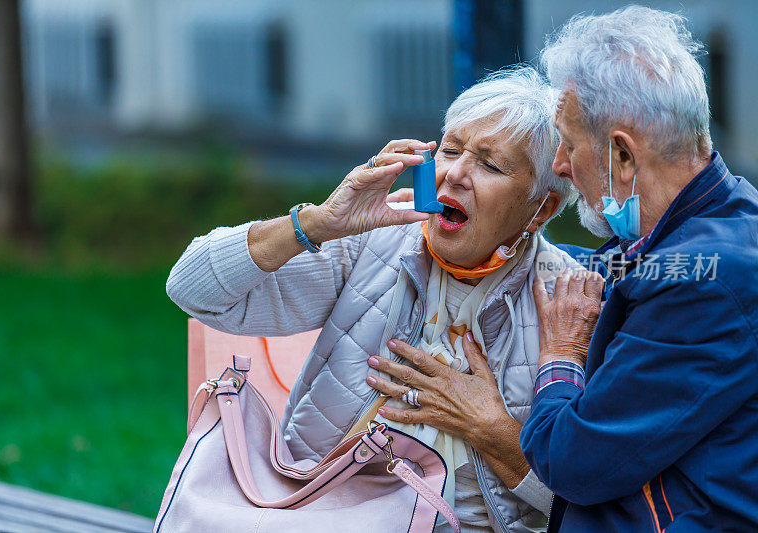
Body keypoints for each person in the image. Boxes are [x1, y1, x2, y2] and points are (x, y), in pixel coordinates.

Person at [167, 66, 586, 532]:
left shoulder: (572, 302)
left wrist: (491, 430)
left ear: (542, 206)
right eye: (449, 150)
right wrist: (317, 224)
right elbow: (192, 290)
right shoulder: (375, 241)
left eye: (489, 165)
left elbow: (592, 507)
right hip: (324, 515)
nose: (454, 174)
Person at [519, 6, 758, 532]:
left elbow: (570, 460)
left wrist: (559, 356)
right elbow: (607, 269)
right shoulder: (717, 217)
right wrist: (509, 249)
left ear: (623, 156)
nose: (559, 164)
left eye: (569, 142)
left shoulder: (705, 280)